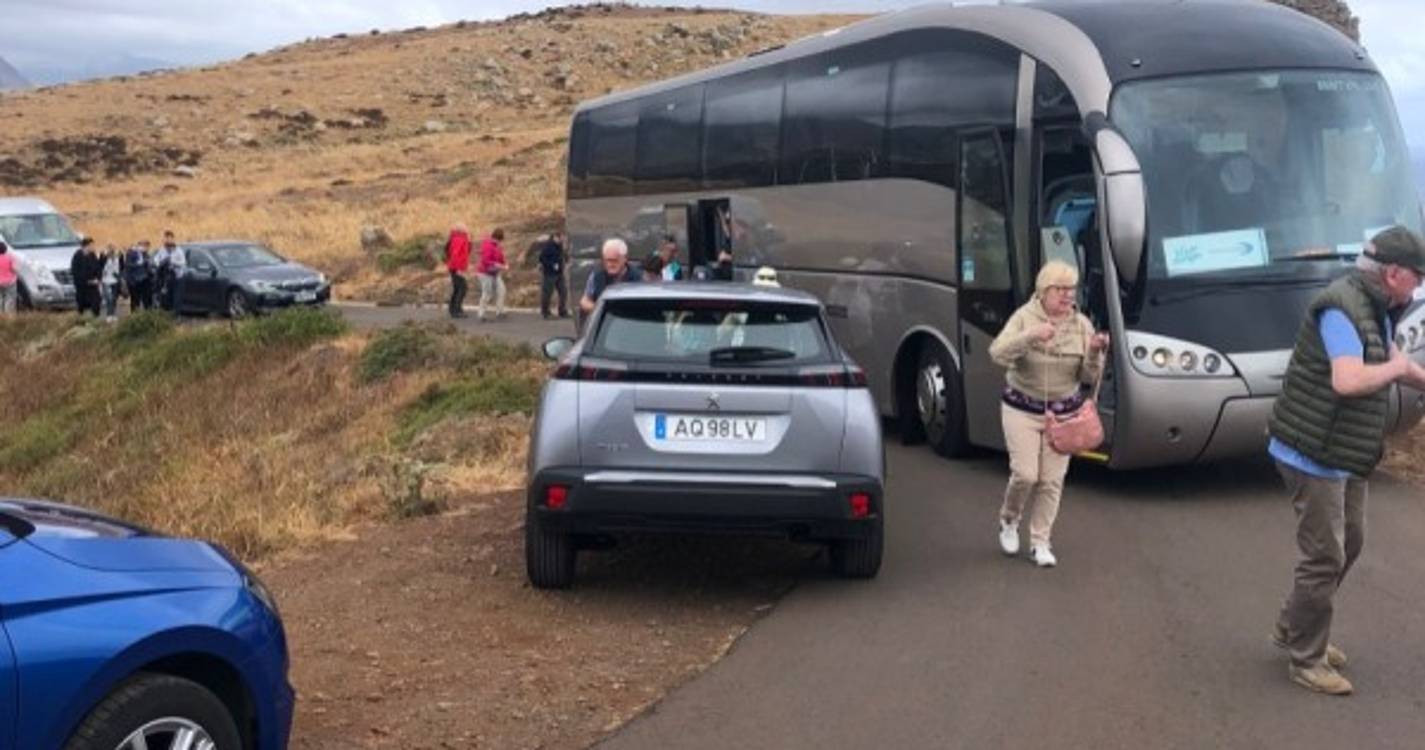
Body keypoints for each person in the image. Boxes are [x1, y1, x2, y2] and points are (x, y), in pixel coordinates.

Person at [1266, 226, 1425, 696]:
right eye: (1418, 276)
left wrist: (1413, 374)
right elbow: (1348, 379)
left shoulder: (1376, 305)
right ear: (1393, 273)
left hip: (1344, 451)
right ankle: (1306, 659)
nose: (1420, 285)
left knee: (1350, 541)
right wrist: (1396, 369)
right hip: (1311, 451)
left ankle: (1294, 625)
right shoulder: (1342, 308)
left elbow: (1393, 360)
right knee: (1324, 557)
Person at [987, 260, 1109, 568]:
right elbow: (997, 353)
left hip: (1063, 415)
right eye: (1060, 289)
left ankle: (1040, 541)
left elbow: (1088, 377)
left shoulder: (1081, 325)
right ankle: (1009, 519)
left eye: (1071, 289)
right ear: (1044, 291)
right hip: (1021, 409)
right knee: (1025, 474)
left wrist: (1095, 350)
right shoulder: (1024, 317)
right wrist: (1030, 337)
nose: (1068, 295)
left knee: (1052, 481)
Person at [580, 238, 641, 316]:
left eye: (614, 260)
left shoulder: (639, 278)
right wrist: (601, 309)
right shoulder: (596, 276)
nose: (610, 264)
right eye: (607, 260)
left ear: (625, 258)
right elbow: (585, 301)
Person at [476, 228, 509, 322]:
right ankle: (481, 313)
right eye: (498, 240)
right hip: (484, 273)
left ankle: (499, 311)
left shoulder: (497, 246)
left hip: (494, 272)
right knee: (487, 293)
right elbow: (485, 260)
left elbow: (501, 257)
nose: (499, 242)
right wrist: (497, 265)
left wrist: (504, 264)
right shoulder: (487, 245)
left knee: (501, 290)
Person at [537, 231, 569, 319]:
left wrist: (565, 261)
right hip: (550, 273)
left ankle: (562, 311)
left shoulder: (560, 246)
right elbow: (542, 258)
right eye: (561, 238)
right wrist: (552, 265)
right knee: (547, 293)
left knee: (563, 292)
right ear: (555, 237)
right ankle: (545, 312)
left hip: (559, 273)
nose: (562, 240)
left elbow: (562, 256)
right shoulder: (548, 246)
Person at [444, 223, 472, 318]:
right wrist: (458, 269)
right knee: (462, 288)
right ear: (461, 230)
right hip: (456, 267)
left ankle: (453, 308)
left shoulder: (461, 238)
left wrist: (469, 241)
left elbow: (467, 252)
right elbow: (455, 254)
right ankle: (456, 310)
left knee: (457, 288)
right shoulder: (458, 239)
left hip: (455, 267)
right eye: (465, 228)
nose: (467, 229)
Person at [70, 237, 103, 318]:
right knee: (82, 306)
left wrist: (98, 279)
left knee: (96, 303)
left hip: (93, 286)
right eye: (91, 245)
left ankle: (95, 320)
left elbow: (98, 268)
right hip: (82, 287)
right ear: (86, 246)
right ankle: (82, 320)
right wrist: (86, 281)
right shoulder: (77, 256)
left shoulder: (92, 255)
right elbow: (75, 272)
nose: (93, 247)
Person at [122, 240, 155, 312]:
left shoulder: (146, 255)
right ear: (140, 246)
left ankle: (148, 314)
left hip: (145, 280)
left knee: (147, 299)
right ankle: (135, 315)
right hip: (134, 281)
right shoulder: (131, 253)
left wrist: (150, 269)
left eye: (148, 247)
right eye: (145, 247)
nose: (146, 249)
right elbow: (128, 265)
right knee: (135, 301)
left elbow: (148, 267)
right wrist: (139, 264)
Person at [100, 244, 122, 323]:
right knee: (109, 298)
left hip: (115, 280)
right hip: (106, 280)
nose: (111, 251)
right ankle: (109, 315)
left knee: (114, 298)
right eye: (109, 250)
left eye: (112, 250)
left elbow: (120, 267)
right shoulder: (104, 258)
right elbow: (100, 266)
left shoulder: (117, 258)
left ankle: (114, 314)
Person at [0, 240, 17, 316]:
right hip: (10, 282)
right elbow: (14, 269)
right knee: (10, 298)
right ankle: (9, 316)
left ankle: (1, 315)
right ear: (5, 249)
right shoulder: (10, 258)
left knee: (1, 298)